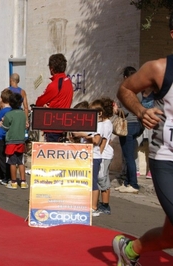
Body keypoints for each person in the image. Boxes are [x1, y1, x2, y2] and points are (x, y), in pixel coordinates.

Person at [112, 14, 173, 265]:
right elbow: (125, 89)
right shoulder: (159, 68)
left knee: (169, 236)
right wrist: (141, 111)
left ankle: (128, 250)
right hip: (167, 160)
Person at [115, 66, 143, 194]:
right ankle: (127, 182)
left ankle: (133, 184)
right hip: (137, 125)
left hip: (129, 126)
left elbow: (125, 112)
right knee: (128, 156)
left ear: (125, 78)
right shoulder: (139, 91)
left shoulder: (127, 92)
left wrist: (116, 109)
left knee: (129, 156)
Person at [35, 53, 74, 142]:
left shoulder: (54, 84)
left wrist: (46, 106)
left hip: (53, 127)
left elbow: (39, 102)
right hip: (63, 125)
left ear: (51, 69)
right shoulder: (68, 82)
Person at [92, 98, 115, 216]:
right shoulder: (103, 123)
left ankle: (105, 205)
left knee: (102, 178)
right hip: (103, 155)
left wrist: (98, 155)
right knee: (101, 178)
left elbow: (104, 141)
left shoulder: (106, 124)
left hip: (104, 155)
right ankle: (102, 203)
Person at [0, 93, 28, 189]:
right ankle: (23, 182)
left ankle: (14, 182)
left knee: (12, 162)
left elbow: (5, 127)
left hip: (11, 141)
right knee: (21, 162)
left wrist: (1, 123)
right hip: (21, 140)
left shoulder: (8, 114)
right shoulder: (23, 114)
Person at [0, 89, 13, 185]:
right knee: (9, 157)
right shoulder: (13, 110)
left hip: (0, 136)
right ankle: (9, 175)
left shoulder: (2, 111)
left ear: (2, 99)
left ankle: (4, 176)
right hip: (9, 136)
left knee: (1, 157)